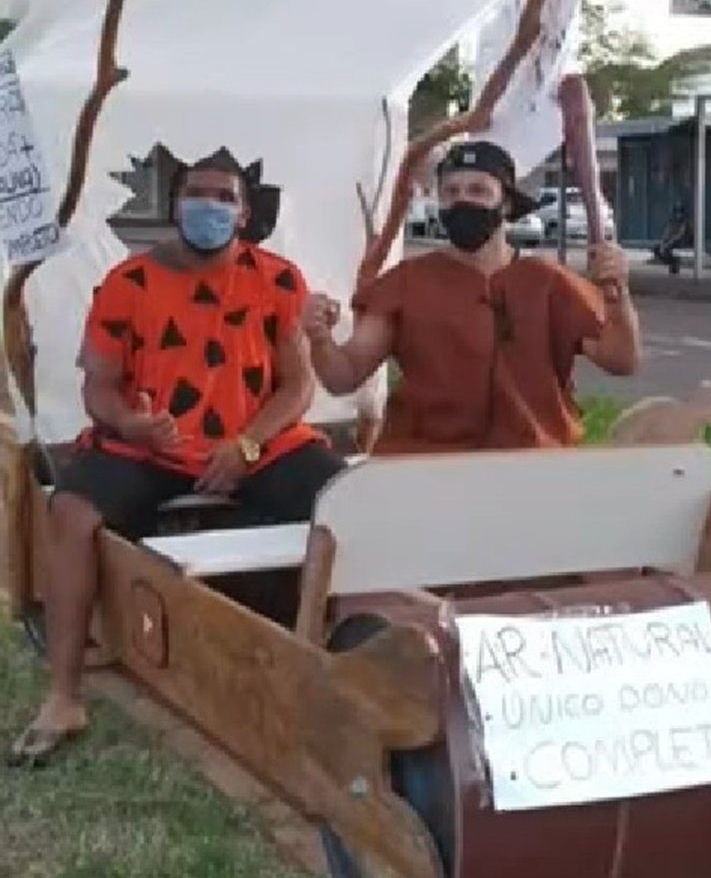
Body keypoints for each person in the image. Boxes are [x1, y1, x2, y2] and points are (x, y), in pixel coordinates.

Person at [8, 148, 344, 766]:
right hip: (150, 447)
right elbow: (98, 388)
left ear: (244, 215)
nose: (208, 206)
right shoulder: (127, 284)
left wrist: (246, 445)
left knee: (343, 502)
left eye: (224, 197)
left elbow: (297, 387)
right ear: (174, 206)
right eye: (196, 193)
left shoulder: (277, 278)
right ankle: (63, 694)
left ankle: (337, 659)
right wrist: (133, 423)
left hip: (254, 445)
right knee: (71, 512)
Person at [303, 140, 641, 454]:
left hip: (533, 462)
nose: (463, 200)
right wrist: (319, 338)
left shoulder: (550, 282)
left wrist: (618, 298)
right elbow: (343, 376)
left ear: (505, 202)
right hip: (425, 461)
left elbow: (622, 360)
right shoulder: (405, 282)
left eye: (478, 190)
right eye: (451, 192)